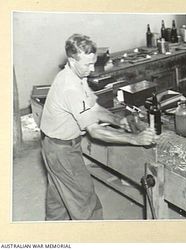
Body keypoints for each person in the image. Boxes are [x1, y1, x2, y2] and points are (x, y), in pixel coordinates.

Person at [40, 34, 156, 220]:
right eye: (87, 64)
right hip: (62, 151)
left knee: (59, 202)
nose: (92, 69)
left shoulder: (76, 74)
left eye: (93, 63)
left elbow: (92, 107)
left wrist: (119, 121)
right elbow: (95, 131)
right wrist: (135, 139)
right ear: (71, 60)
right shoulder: (70, 87)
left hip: (53, 147)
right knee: (87, 205)